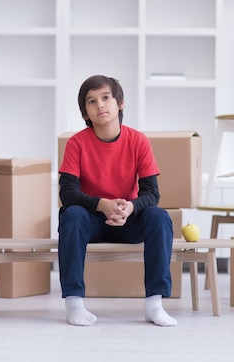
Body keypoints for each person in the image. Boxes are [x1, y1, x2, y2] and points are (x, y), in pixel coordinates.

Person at [58, 74, 177, 327]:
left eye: (105, 97)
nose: (99, 105)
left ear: (119, 103)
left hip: (127, 219)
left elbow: (151, 193)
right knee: (71, 215)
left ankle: (154, 304)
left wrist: (131, 207)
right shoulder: (76, 143)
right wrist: (102, 204)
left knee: (159, 217)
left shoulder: (138, 141)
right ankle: (74, 304)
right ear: (85, 113)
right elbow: (67, 194)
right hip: (90, 221)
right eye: (91, 101)